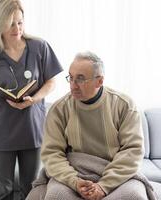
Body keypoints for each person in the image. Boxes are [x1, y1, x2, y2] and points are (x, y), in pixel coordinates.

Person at [30, 51, 150, 200]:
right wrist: (75, 182)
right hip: (74, 173)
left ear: (99, 81)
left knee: (134, 195)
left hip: (116, 175)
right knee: (56, 195)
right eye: (71, 78)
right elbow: (52, 154)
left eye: (80, 79)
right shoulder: (59, 109)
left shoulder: (124, 105)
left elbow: (133, 151)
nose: (73, 86)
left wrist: (103, 186)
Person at [0, 0, 63, 199]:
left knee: (30, 189)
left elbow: (51, 82)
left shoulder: (40, 47)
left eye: (20, 22)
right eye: (11, 23)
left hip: (31, 128)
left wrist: (35, 98)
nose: (17, 28)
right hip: (2, 129)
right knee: (3, 190)